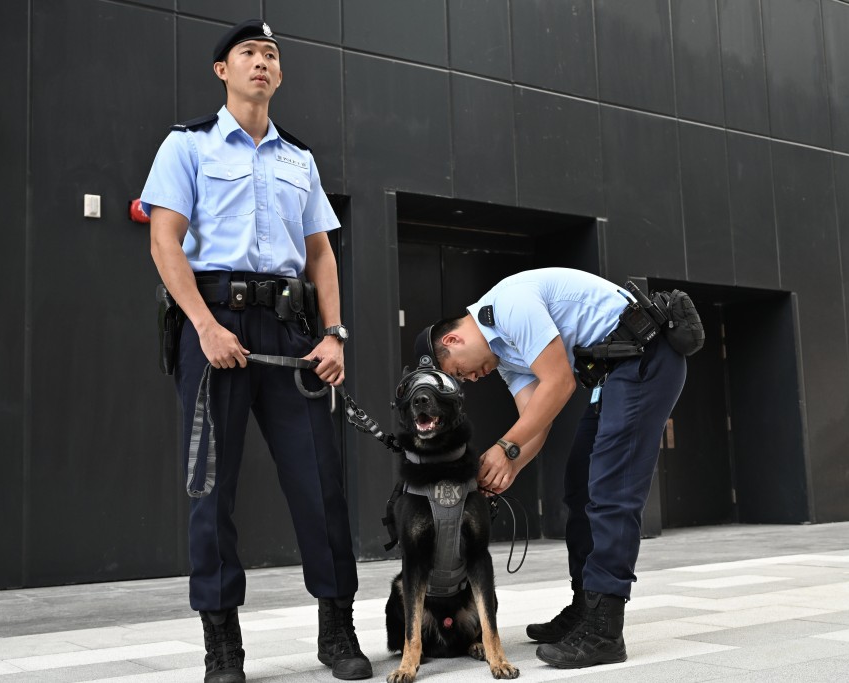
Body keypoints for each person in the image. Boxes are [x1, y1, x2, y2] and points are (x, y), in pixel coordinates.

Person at [141, 19, 370, 683]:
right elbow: (164, 241)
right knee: (211, 492)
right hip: (214, 329)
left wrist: (334, 333)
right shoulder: (187, 145)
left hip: (291, 332)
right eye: (249, 53)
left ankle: (337, 630)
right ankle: (222, 647)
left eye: (271, 54)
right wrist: (204, 327)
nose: (262, 63)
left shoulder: (300, 158)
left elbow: (322, 250)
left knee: (322, 482)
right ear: (223, 70)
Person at [414, 267, 688, 670]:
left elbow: (558, 383)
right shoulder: (505, 355)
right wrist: (510, 466)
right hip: (615, 372)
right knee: (580, 486)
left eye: (458, 371)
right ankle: (585, 606)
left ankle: (605, 630)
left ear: (452, 340)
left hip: (646, 359)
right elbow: (536, 420)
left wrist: (505, 447)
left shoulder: (507, 306)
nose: (471, 379)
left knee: (611, 492)